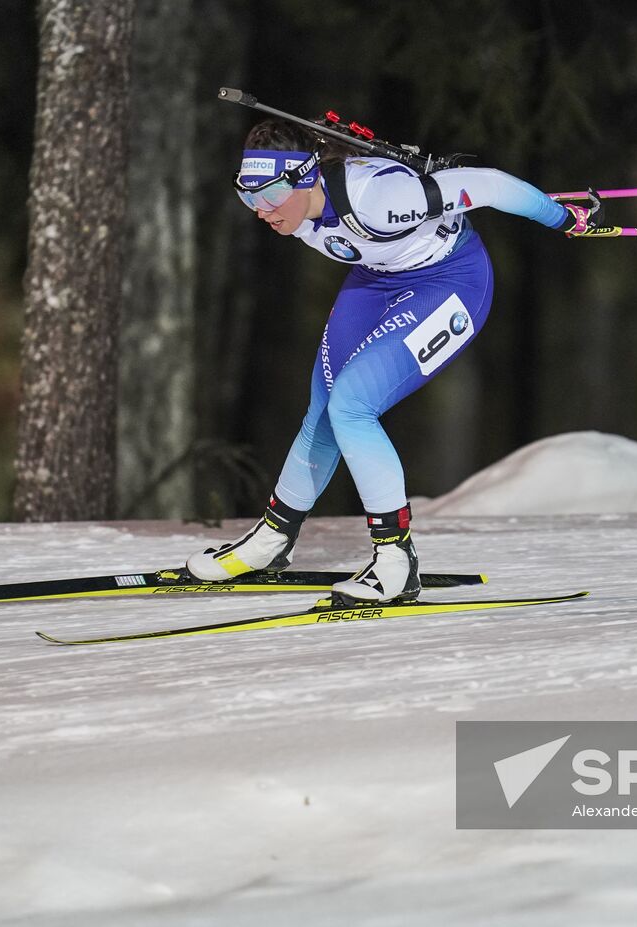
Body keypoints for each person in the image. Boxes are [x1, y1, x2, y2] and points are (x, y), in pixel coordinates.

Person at [185, 117, 601, 603]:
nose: (260, 211)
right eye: (248, 197)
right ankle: (271, 542)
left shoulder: (381, 202)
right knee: (322, 413)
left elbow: (488, 184)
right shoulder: (295, 209)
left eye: (269, 196)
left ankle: (396, 563)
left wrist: (562, 217)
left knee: (352, 407)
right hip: (376, 279)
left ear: (306, 178)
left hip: (450, 281)